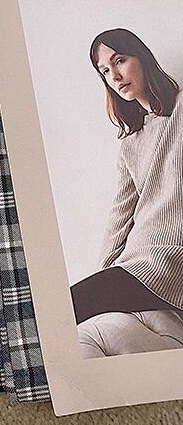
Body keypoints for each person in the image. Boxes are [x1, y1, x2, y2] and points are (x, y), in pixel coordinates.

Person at [71, 28, 183, 358]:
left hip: (169, 259)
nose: (115, 76)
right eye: (105, 71)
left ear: (142, 58)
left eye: (119, 60)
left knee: (58, 311)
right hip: (134, 263)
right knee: (60, 310)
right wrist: (103, 274)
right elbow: (119, 217)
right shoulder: (130, 142)